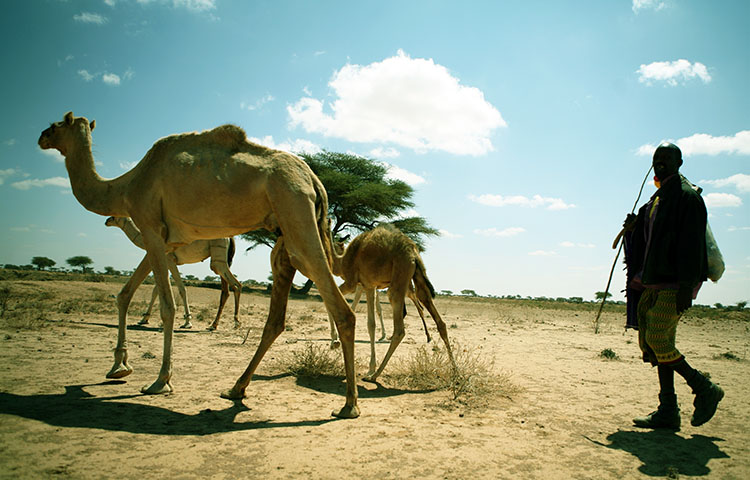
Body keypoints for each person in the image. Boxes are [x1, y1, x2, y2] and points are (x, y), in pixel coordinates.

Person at [622, 142, 724, 430]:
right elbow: (650, 234)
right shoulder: (658, 199)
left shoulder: (687, 197)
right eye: (657, 158)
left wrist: (685, 288)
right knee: (655, 344)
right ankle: (668, 409)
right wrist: (636, 224)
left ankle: (704, 388)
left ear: (680, 161)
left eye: (666, 157)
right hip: (654, 279)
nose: (660, 161)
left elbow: (692, 246)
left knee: (657, 337)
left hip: (675, 282)